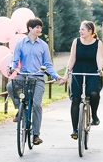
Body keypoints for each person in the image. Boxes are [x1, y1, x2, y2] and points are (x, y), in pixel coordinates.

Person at [7, 17, 65, 145]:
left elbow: (48, 64)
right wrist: (11, 67)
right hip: (23, 75)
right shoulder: (20, 44)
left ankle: (36, 135)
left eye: (40, 27)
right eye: (37, 27)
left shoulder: (43, 45)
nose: (39, 29)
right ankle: (20, 110)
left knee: (37, 105)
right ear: (30, 28)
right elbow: (15, 60)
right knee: (10, 87)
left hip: (38, 77)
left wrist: (56, 76)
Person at [65, 21, 103, 140]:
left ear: (90, 31)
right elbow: (72, 59)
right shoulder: (76, 42)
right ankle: (75, 129)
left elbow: (99, 58)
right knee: (75, 98)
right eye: (80, 29)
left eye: (82, 29)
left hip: (92, 71)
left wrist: (99, 70)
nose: (80, 31)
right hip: (78, 71)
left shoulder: (98, 43)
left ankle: (94, 115)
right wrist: (66, 75)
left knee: (94, 92)